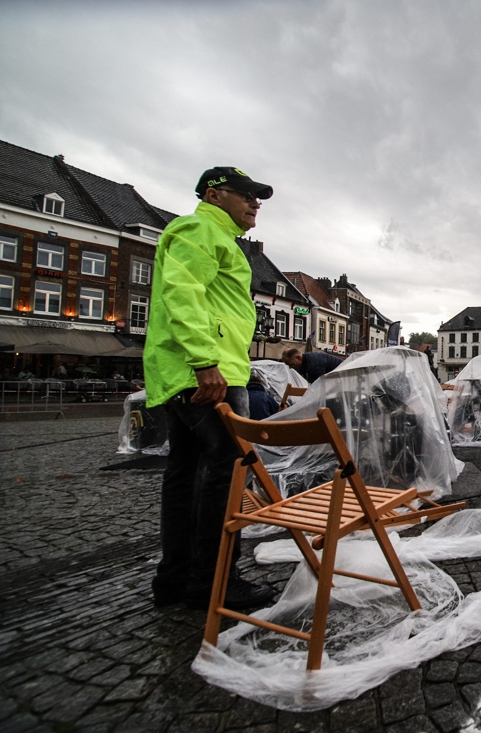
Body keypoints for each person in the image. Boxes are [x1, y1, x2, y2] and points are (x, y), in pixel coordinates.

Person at [144, 166, 276, 610]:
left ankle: (175, 581)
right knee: (223, 474)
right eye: (247, 195)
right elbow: (181, 292)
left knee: (185, 473)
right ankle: (214, 581)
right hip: (209, 372)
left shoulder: (217, 237)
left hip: (190, 371)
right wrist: (205, 361)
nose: (255, 203)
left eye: (257, 198)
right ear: (216, 195)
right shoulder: (201, 229)